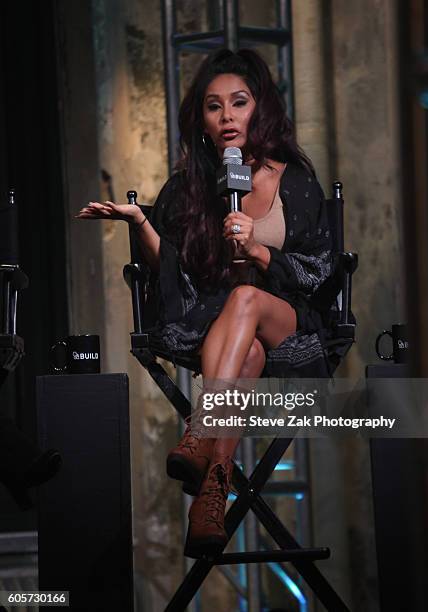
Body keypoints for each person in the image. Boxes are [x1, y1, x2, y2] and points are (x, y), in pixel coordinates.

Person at [77, 48, 336, 556]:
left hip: (291, 321)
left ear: (259, 108)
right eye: (213, 107)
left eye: (238, 103)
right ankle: (211, 493)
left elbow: (321, 271)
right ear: (202, 118)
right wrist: (140, 222)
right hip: (230, 336)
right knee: (248, 351)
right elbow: (171, 267)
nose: (227, 117)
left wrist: (259, 249)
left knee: (246, 298)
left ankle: (199, 430)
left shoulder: (296, 181)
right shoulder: (192, 187)